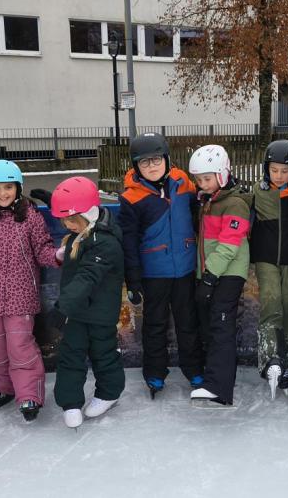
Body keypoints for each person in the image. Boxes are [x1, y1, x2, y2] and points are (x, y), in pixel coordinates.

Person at [0, 160, 60, 421]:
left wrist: (57, 255)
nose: (2, 193)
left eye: (8, 187)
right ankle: (3, 385)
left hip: (20, 296)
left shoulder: (30, 216)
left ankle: (29, 393)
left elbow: (42, 249)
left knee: (20, 347)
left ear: (18, 187)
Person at [118, 132, 204, 399]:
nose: (152, 166)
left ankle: (194, 369)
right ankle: (155, 373)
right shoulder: (132, 198)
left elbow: (202, 208)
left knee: (188, 323)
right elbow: (129, 243)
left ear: (167, 159)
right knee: (155, 325)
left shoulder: (183, 183)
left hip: (185, 269)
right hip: (154, 273)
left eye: (156, 159)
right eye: (144, 162)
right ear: (136, 166)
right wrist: (133, 281)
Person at [49, 177, 126, 428]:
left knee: (104, 354)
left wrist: (62, 307)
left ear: (88, 214)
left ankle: (109, 394)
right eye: (63, 220)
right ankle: (70, 402)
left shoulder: (106, 242)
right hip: (77, 312)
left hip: (100, 313)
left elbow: (87, 276)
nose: (67, 225)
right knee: (70, 355)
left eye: (71, 219)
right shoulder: (80, 234)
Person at [188, 144, 250, 407]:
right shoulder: (207, 202)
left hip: (228, 273)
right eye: (199, 179)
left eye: (207, 178)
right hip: (210, 272)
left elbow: (229, 245)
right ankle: (211, 378)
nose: (202, 184)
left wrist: (210, 277)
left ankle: (219, 387)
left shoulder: (235, 204)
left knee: (221, 326)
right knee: (210, 325)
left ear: (222, 175)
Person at [250, 139, 288, 399]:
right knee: (271, 304)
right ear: (266, 169)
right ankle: (270, 359)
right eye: (274, 170)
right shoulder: (258, 191)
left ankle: (284, 361)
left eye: (285, 170)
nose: (279, 175)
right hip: (265, 258)